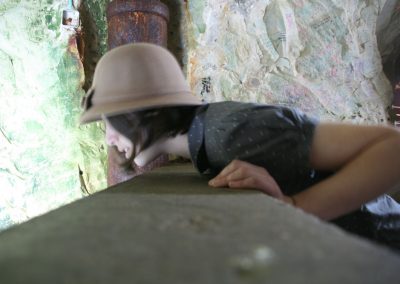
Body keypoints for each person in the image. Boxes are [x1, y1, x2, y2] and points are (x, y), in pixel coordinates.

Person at [80, 42, 400, 222]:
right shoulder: (207, 140)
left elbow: (392, 148)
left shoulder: (227, 132)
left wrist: (296, 207)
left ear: (146, 110)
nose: (108, 136)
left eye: (109, 117)